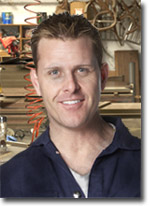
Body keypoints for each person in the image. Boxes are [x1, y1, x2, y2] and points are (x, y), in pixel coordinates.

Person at [0, 13, 141, 198]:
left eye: (82, 70)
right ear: (36, 83)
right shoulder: (8, 183)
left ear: (103, 76)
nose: (71, 86)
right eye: (55, 72)